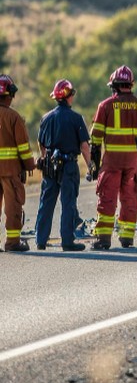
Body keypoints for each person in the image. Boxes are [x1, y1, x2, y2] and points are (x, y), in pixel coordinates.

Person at [89, 66, 137, 250]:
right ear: (130, 85)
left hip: (112, 162)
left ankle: (104, 239)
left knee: (107, 199)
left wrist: (94, 164)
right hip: (132, 161)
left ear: (114, 86)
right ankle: (126, 238)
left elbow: (95, 139)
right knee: (130, 199)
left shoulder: (105, 106)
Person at [35, 80, 92, 252]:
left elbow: (41, 143)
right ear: (69, 96)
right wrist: (91, 166)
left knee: (46, 203)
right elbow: (84, 146)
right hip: (68, 166)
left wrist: (45, 158)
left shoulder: (46, 118)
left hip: (49, 166)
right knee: (68, 203)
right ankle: (67, 241)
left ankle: (40, 241)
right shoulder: (76, 119)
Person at [0, 75, 36, 252]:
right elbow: (23, 147)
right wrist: (30, 165)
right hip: (9, 170)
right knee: (13, 205)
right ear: (10, 94)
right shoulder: (14, 117)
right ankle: (12, 242)